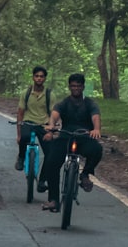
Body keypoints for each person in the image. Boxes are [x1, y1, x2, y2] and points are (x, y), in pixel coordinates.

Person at [40, 72, 103, 212]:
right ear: (69, 87)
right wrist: (51, 127)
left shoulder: (90, 104)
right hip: (66, 136)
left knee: (97, 150)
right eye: (73, 86)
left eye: (78, 86)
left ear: (83, 87)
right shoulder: (64, 103)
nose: (76, 88)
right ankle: (53, 200)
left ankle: (85, 174)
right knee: (51, 162)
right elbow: (54, 115)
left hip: (84, 137)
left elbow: (95, 117)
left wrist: (96, 129)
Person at [15, 66, 52, 175]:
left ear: (45, 78)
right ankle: (21, 157)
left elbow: (53, 114)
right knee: (24, 137)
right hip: (28, 122)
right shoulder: (25, 93)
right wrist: (19, 135)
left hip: (44, 124)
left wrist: (50, 131)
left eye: (41, 76)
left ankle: (42, 179)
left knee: (50, 153)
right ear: (33, 77)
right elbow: (20, 113)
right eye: (37, 76)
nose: (39, 78)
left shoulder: (50, 95)